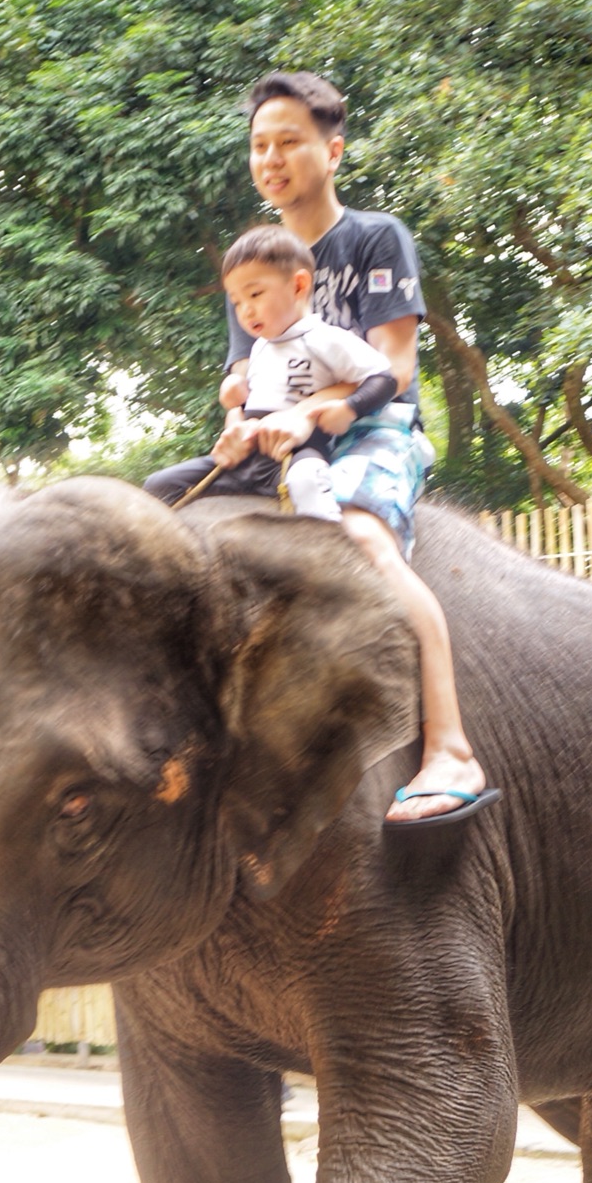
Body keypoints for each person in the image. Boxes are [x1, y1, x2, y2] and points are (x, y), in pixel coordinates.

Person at [217, 68, 495, 826]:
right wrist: (238, 416)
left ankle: (450, 746)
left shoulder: (375, 238)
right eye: (257, 145)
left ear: (332, 151)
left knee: (365, 541)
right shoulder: (256, 262)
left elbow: (395, 370)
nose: (269, 159)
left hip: (373, 430)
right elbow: (248, 373)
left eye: (288, 143)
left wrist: (310, 416)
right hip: (285, 445)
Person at [144, 224, 394, 519]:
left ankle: (330, 550)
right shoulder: (261, 348)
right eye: (237, 302)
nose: (245, 311)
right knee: (158, 484)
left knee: (308, 482)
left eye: (255, 294)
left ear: (298, 286)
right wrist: (235, 400)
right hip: (245, 457)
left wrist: (349, 408)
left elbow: (383, 377)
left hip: (293, 453)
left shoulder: (325, 337)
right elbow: (247, 401)